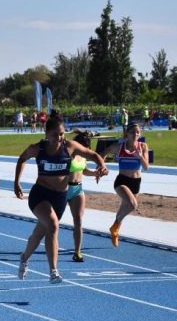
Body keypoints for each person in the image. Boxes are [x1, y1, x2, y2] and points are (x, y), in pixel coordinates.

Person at [14, 118, 108, 283]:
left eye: (62, 134)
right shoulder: (37, 148)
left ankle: (24, 258)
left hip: (60, 198)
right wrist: (17, 182)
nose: (59, 137)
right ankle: (53, 271)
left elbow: (92, 154)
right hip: (40, 195)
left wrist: (102, 166)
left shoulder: (70, 147)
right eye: (55, 134)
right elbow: (22, 159)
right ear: (46, 134)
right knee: (53, 226)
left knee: (38, 234)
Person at [100, 123, 150, 247]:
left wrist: (139, 156)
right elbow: (102, 154)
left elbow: (146, 167)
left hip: (136, 182)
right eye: (132, 132)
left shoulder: (143, 146)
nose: (135, 134)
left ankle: (115, 229)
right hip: (122, 181)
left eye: (138, 132)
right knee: (133, 205)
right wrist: (102, 166)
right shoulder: (119, 147)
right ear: (126, 134)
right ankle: (115, 226)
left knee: (124, 207)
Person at [65, 131, 102, 262]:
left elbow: (84, 170)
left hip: (77, 189)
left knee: (78, 221)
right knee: (52, 222)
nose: (86, 151)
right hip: (63, 189)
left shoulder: (84, 156)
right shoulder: (68, 154)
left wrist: (95, 173)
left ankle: (77, 252)